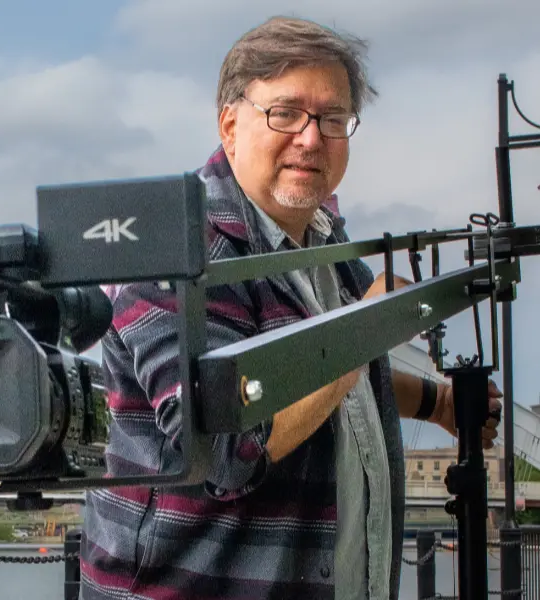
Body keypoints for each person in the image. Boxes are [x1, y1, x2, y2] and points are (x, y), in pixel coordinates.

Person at [79, 16, 502, 600]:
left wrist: (439, 403)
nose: (311, 138)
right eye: (285, 113)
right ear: (229, 124)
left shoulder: (324, 244)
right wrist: (370, 323)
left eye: (333, 119)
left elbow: (328, 378)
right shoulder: (175, 252)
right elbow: (223, 449)